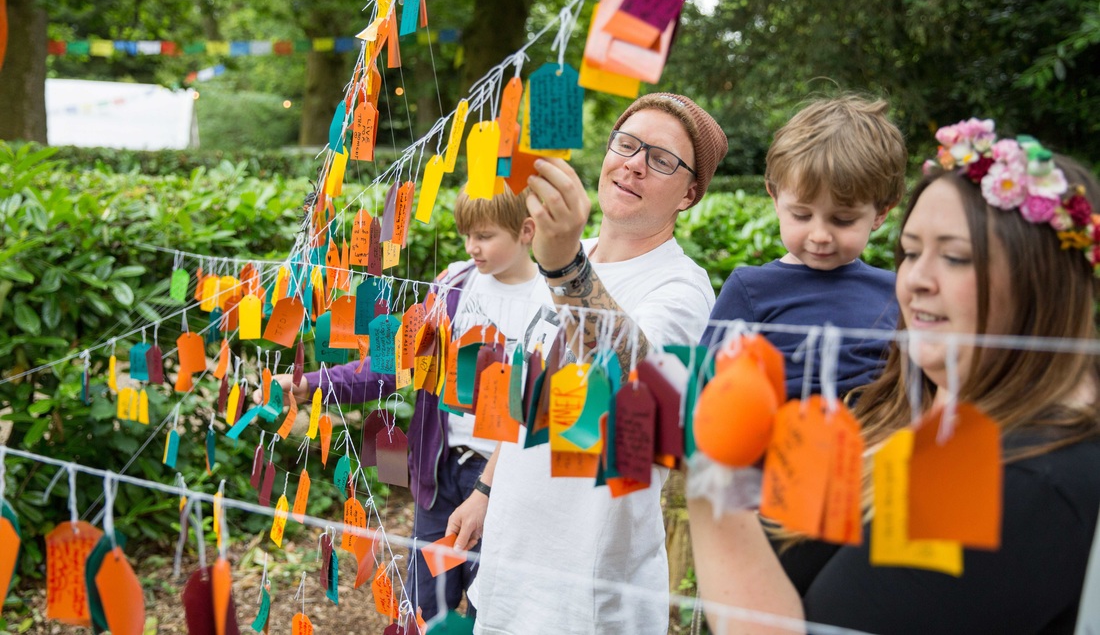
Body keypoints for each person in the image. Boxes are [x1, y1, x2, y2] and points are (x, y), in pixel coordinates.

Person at [688, 119, 1100, 634]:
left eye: (954, 257)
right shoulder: (902, 408)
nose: (915, 281)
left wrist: (709, 475)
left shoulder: (1020, 474)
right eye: (910, 252)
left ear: (1039, 280)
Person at [449, 93, 729, 635]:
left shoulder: (683, 287)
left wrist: (563, 267)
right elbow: (525, 394)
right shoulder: (573, 253)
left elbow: (635, 389)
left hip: (586, 599)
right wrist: (485, 490)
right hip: (506, 574)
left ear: (690, 194)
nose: (635, 163)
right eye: (627, 144)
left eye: (662, 159)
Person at [274, 186, 551, 621]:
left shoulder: (549, 302)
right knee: (425, 606)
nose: (471, 247)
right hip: (438, 474)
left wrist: (489, 489)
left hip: (503, 480)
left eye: (484, 236)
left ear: (526, 231)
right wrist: (310, 384)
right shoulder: (453, 286)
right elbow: (395, 362)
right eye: (465, 234)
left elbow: (539, 409)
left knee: (493, 610)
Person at [701, 95, 908, 400]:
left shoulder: (896, 292)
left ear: (880, 213)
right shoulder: (750, 290)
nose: (820, 234)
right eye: (801, 215)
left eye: (842, 219)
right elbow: (709, 388)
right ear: (775, 198)